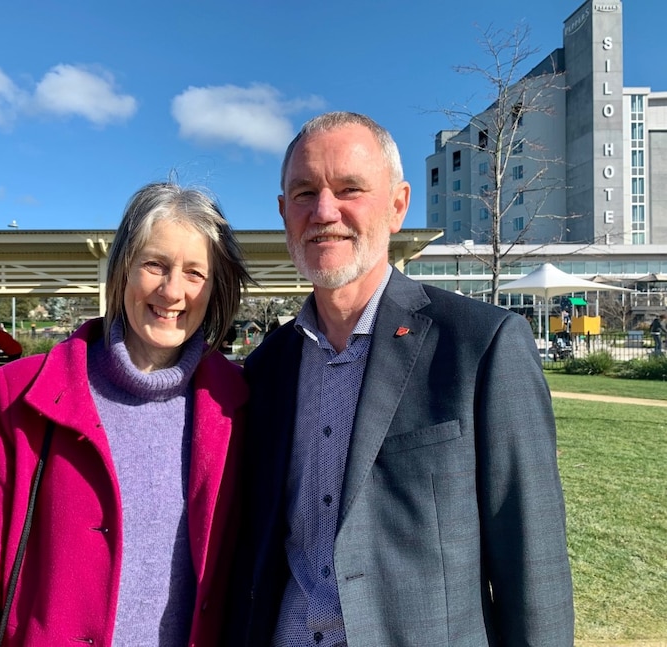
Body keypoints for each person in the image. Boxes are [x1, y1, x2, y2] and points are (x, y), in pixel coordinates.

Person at [226, 112, 574, 646]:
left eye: (350, 189)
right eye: (303, 193)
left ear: (397, 205)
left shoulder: (481, 347)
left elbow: (533, 566)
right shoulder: (268, 368)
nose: (324, 211)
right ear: (282, 213)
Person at [0, 181, 252, 646]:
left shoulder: (236, 402)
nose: (171, 291)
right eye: (155, 265)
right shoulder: (20, 395)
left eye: (194, 273)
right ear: (123, 269)